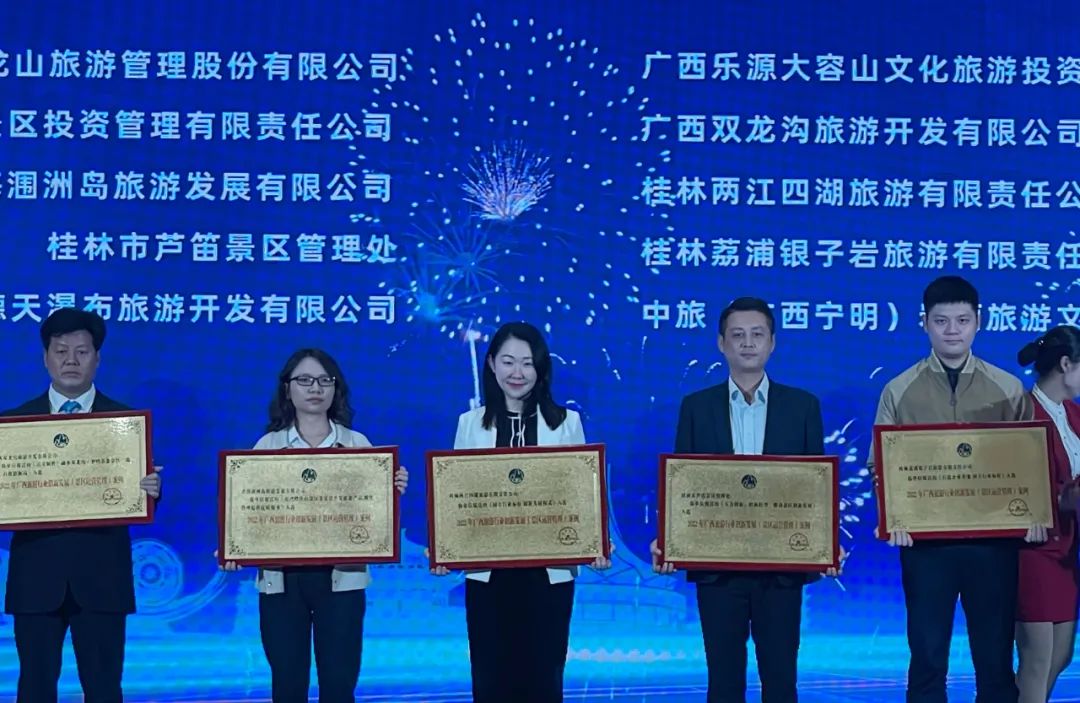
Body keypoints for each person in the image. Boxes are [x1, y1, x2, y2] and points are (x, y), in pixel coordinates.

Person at [650, 296, 840, 703]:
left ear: (773, 342)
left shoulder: (802, 406)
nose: (748, 343)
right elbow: (684, 484)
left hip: (781, 569)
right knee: (723, 683)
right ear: (721, 343)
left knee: (781, 682)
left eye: (757, 334)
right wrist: (670, 538)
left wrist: (825, 543)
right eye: (738, 335)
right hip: (718, 569)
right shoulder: (696, 407)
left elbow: (815, 486)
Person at [869, 275, 1044, 703]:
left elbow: (1029, 464)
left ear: (978, 322)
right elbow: (881, 466)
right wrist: (895, 517)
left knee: (995, 657)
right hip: (927, 547)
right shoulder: (899, 389)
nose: (952, 330)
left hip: (993, 545)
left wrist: (1033, 514)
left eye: (962, 320)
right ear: (924, 323)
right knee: (927, 656)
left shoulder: (1007, 388)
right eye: (941, 321)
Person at [431, 321, 611, 703]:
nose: (517, 372)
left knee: (543, 677)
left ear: (541, 368)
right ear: (492, 364)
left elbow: (581, 493)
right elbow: (457, 494)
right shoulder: (469, 424)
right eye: (508, 361)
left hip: (549, 575)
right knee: (491, 677)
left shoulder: (567, 423)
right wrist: (446, 545)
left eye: (527, 363)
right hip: (488, 575)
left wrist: (593, 542)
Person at [219, 348, 407, 703]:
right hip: (281, 582)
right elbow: (249, 512)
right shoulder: (267, 446)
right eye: (304, 380)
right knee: (287, 684)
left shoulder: (358, 445)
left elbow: (374, 514)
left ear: (336, 389)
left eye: (324, 380)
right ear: (287, 389)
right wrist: (233, 546)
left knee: (339, 684)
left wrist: (391, 489)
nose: (315, 388)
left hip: (342, 579)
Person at [3, 307, 162, 703]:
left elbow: (136, 499)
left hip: (102, 578)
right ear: (45, 357)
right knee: (34, 687)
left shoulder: (126, 423)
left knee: (104, 688)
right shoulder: (13, 425)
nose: (70, 360)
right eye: (60, 351)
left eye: (81, 351)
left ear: (97, 358)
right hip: (36, 580)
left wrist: (150, 490)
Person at [1015, 325, 1080, 703]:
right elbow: (1012, 485)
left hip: (1068, 551)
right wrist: (1061, 499)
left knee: (1062, 653)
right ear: (1065, 364)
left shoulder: (1073, 413)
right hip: (1034, 550)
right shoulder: (1023, 412)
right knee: (1037, 658)